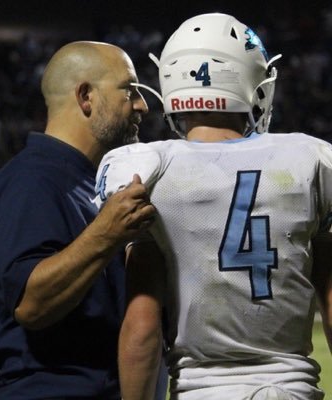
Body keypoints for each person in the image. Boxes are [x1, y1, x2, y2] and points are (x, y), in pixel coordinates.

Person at [94, 14, 332, 400]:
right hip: (292, 388)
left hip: (201, 390)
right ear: (252, 82)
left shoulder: (146, 169)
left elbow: (142, 326)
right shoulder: (311, 158)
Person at [0, 41, 157, 399]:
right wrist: (105, 234)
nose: (143, 105)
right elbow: (31, 303)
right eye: (130, 90)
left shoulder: (84, 180)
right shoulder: (31, 181)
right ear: (86, 97)